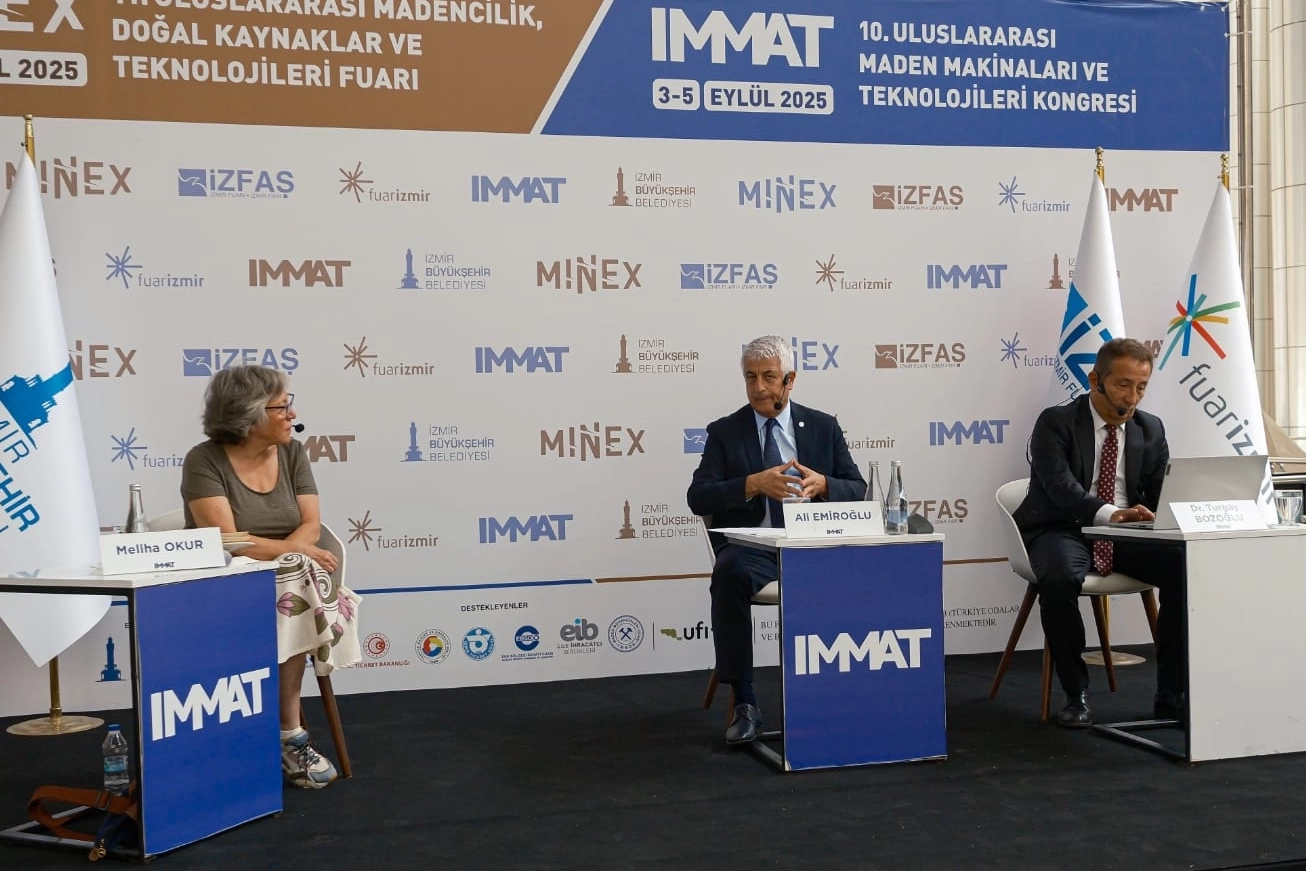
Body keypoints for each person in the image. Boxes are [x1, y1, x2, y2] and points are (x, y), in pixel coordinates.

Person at [181, 365, 362, 788]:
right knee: (291, 587)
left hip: (289, 582)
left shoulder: (293, 453)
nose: (292, 415)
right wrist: (296, 553)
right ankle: (288, 734)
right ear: (248, 413)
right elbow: (229, 540)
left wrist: (292, 556)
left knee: (290, 586)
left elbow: (312, 525)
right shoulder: (203, 460)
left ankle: (286, 735)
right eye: (281, 407)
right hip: (226, 582)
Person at [687, 335, 866, 745]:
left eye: (769, 377)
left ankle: (852, 694)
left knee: (873, 570)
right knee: (728, 572)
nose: (759, 388)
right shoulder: (725, 432)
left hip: (814, 546)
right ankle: (745, 702)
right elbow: (698, 497)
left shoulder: (823, 426)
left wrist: (824, 485)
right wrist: (752, 484)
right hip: (757, 550)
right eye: (750, 377)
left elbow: (858, 488)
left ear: (790, 380)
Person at [1013, 338, 1186, 728]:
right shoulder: (1055, 422)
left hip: (1127, 534)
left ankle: (1171, 693)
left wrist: (1161, 513)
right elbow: (1060, 488)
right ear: (1096, 380)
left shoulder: (1150, 428)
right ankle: (1075, 694)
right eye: (1123, 385)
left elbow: (1161, 491)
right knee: (1059, 578)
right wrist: (1110, 514)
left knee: (1184, 568)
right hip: (1063, 527)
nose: (1133, 397)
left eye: (1141, 387)